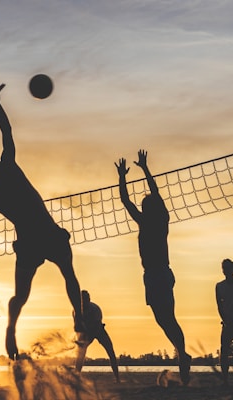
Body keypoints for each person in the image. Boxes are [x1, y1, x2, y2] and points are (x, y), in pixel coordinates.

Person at [0, 83, 83, 360]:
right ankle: (79, 317)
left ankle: (11, 328)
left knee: (22, 296)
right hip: (46, 233)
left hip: (28, 242)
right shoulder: (7, 165)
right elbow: (6, 131)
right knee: (68, 274)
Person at [115, 149, 192, 385]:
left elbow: (133, 199)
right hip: (154, 275)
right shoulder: (153, 220)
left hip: (158, 273)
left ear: (149, 208)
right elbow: (132, 201)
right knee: (163, 319)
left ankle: (183, 355)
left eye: (144, 204)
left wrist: (129, 175)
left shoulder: (155, 221)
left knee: (167, 317)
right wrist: (135, 172)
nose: (142, 205)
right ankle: (182, 353)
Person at [73, 290, 120, 383]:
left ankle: (117, 378)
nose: (85, 302)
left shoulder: (95, 309)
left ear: (89, 299)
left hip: (98, 330)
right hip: (85, 332)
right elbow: (77, 327)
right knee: (80, 354)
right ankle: (76, 377)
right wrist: (80, 340)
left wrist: (88, 338)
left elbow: (97, 326)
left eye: (86, 299)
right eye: (83, 300)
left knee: (110, 350)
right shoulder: (76, 311)